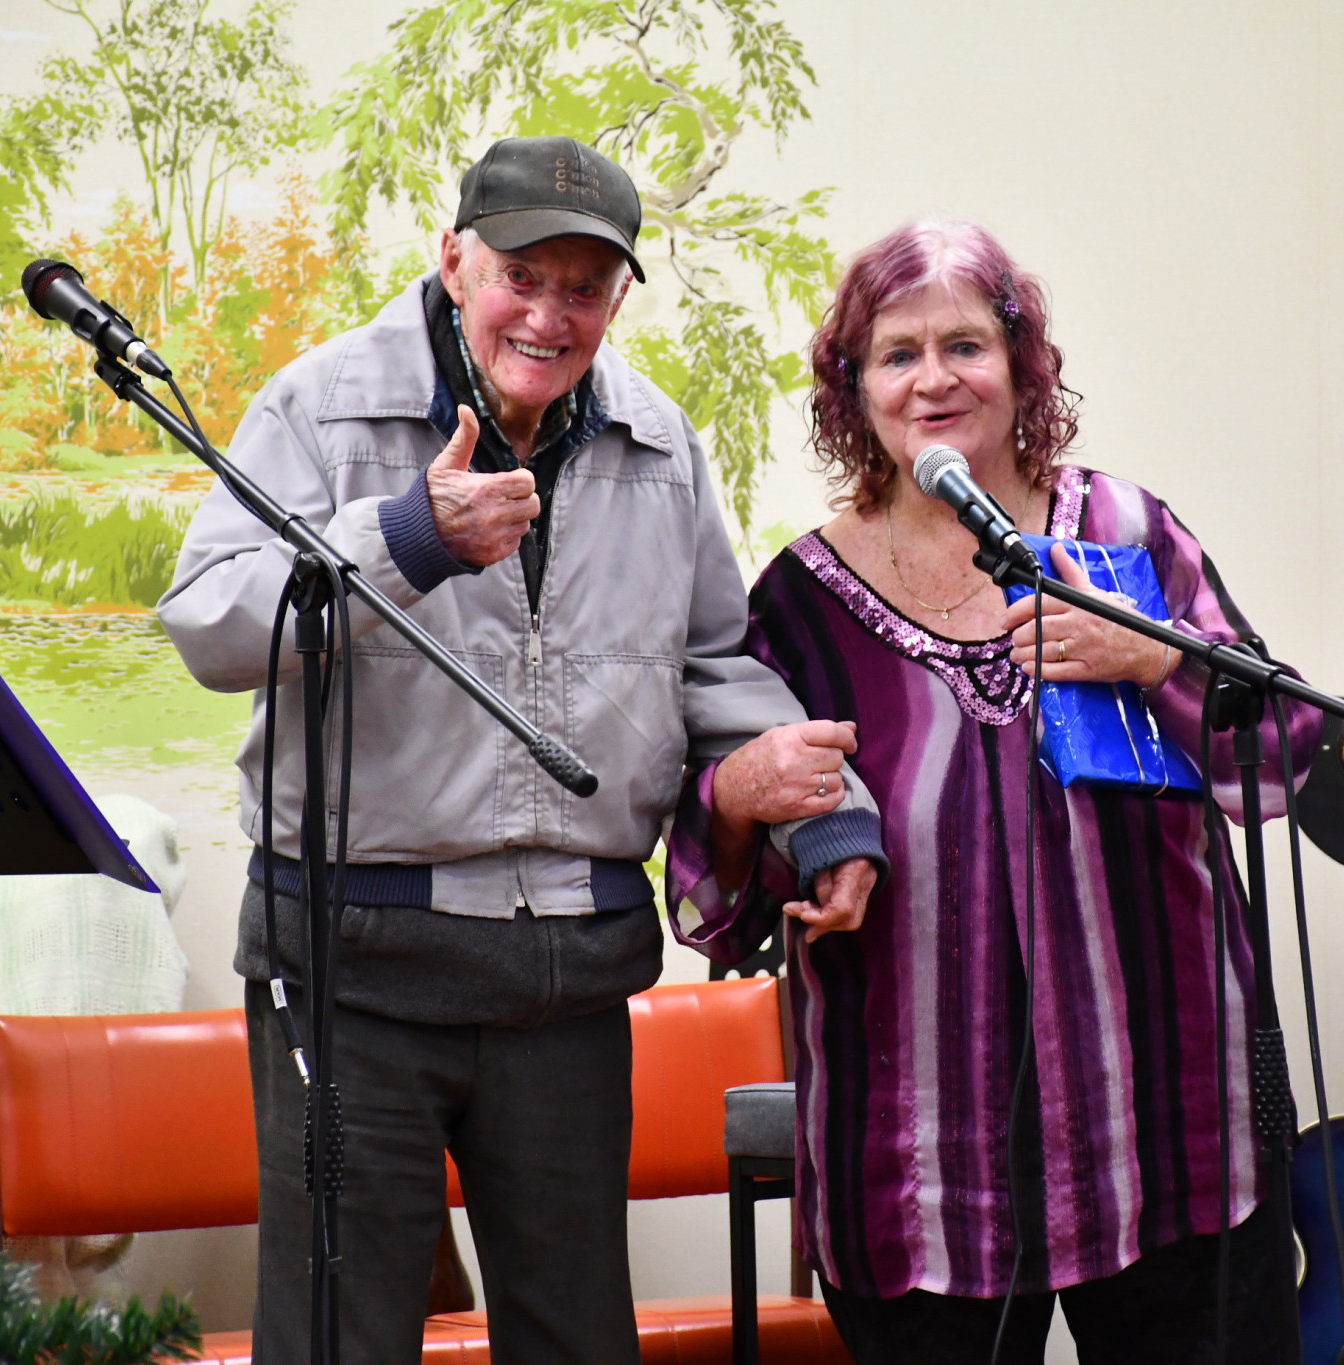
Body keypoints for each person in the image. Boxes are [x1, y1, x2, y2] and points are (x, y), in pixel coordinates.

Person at [158, 136, 884, 1365]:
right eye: (519, 276)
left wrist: (825, 813)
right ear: (453, 261)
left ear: (616, 300)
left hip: (566, 983)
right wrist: (404, 538)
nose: (549, 316)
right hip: (350, 973)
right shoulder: (320, 406)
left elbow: (712, 666)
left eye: (584, 288)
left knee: (577, 1340)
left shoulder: (658, 442)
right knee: (339, 1341)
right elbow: (212, 625)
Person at [665, 219, 1318, 1364]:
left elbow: (1284, 753)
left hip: (1166, 1134)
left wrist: (1154, 659)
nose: (933, 379)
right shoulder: (799, 604)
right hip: (914, 1171)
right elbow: (723, 898)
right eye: (897, 354)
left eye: (963, 345)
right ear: (854, 390)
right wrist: (737, 798)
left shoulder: (1125, 535)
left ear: (1021, 367)